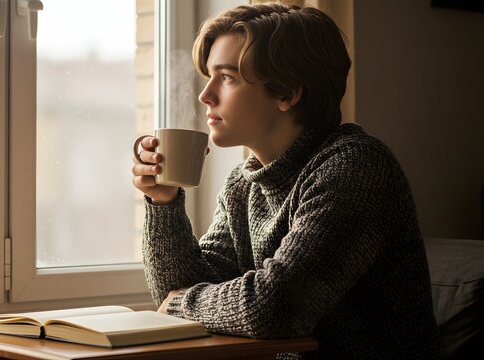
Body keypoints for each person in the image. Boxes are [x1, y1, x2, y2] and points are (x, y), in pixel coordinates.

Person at [131, 3, 440, 359]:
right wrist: (164, 202)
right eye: (209, 77)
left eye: (227, 77)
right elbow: (179, 292)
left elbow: (275, 307)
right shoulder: (243, 184)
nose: (206, 95)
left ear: (288, 93)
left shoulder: (356, 168)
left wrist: (184, 302)